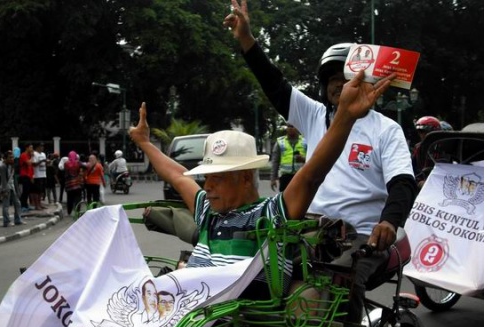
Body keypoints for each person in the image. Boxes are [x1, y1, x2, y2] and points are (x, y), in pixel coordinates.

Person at [224, 1, 417, 327]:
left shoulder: (386, 130)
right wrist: (246, 40)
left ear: (366, 83)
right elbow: (275, 84)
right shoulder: (315, 116)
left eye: (347, 76)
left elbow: (402, 184)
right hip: (308, 228)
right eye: (333, 78)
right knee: (254, 274)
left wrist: (388, 222)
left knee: (333, 289)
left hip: (360, 236)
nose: (339, 83)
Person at [129, 63, 396, 302]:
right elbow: (177, 175)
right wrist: (144, 143)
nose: (207, 186)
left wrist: (345, 117)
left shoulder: (269, 215)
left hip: (227, 325)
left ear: (245, 178)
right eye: (206, 178)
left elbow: (311, 175)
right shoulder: (207, 210)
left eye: (217, 178)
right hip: (185, 309)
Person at [270, 123, 307, 192]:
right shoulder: (280, 142)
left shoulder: (305, 141)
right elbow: (275, 162)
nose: (290, 128)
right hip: (285, 178)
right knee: (285, 200)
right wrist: (273, 178)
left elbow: (313, 158)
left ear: (297, 128)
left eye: (292, 126)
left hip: (301, 176)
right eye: (288, 126)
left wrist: (303, 159)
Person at [411, 115, 441, 188]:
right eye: (419, 131)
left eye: (423, 131)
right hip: (423, 183)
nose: (421, 134)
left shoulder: (444, 147)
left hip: (440, 182)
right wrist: (418, 181)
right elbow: (412, 168)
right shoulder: (418, 147)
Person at [0, 150, 25, 227]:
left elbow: (14, 178)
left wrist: (17, 189)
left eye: (12, 157)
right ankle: (6, 222)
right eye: (10, 157)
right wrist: (4, 190)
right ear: (5, 158)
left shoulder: (12, 166)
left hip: (12, 186)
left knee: (17, 203)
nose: (12, 159)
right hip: (6, 187)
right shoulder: (3, 167)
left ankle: (18, 219)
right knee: (6, 205)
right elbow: (3, 180)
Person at [63, 151, 84, 215]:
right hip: (77, 183)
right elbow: (85, 167)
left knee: (69, 198)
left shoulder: (66, 163)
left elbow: (65, 172)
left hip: (69, 183)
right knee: (78, 197)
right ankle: (77, 211)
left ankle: (69, 211)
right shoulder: (78, 163)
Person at [19, 143, 35, 213]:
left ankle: (26, 205)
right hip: (24, 175)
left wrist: (32, 176)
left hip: (29, 175)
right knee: (25, 191)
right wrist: (32, 157)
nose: (32, 149)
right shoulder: (23, 155)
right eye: (31, 147)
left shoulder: (28, 155)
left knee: (28, 191)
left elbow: (31, 166)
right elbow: (29, 163)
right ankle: (22, 206)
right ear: (27, 148)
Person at [32, 142, 47, 210]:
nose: (42, 147)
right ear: (37, 147)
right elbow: (34, 164)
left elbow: (44, 162)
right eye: (41, 146)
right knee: (36, 191)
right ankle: (36, 205)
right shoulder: (34, 154)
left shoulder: (43, 154)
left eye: (43, 146)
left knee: (41, 191)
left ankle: (40, 203)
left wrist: (46, 162)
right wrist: (41, 161)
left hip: (43, 174)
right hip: (37, 175)